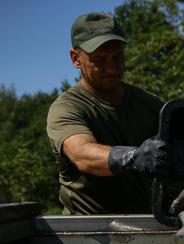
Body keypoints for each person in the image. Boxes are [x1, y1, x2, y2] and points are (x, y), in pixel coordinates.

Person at [46, 12, 168, 215]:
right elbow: (82, 154)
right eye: (99, 60)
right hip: (86, 232)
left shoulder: (149, 105)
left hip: (145, 224)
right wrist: (134, 156)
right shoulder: (67, 107)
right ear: (75, 59)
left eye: (117, 57)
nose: (111, 68)